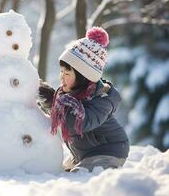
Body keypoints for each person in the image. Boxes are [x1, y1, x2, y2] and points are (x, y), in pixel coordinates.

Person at [38, 27, 129, 172]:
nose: (61, 77)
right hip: (84, 152)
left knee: (79, 175)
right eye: (61, 71)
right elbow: (63, 110)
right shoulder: (70, 96)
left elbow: (79, 122)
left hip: (109, 151)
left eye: (67, 73)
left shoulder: (102, 100)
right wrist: (45, 93)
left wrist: (55, 102)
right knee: (58, 169)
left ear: (83, 77)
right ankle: (83, 162)